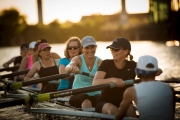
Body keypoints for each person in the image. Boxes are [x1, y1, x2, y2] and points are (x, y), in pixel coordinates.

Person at [92, 37, 163, 116]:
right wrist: (113, 80)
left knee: (130, 110)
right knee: (113, 110)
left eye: (116, 49)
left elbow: (159, 71)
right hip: (105, 102)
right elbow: (95, 82)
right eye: (112, 49)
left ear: (126, 51)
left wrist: (153, 71)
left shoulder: (133, 65)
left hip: (125, 102)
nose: (113, 52)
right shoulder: (106, 63)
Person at [115, 55, 174, 120]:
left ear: (137, 72)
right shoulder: (170, 89)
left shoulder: (131, 91)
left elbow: (119, 115)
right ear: (156, 72)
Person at [65, 36, 102, 108]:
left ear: (95, 48)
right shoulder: (78, 59)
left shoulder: (100, 62)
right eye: (87, 48)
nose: (90, 50)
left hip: (96, 94)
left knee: (104, 100)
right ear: (82, 49)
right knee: (86, 99)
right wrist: (72, 67)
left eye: (92, 47)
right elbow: (68, 67)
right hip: (79, 93)